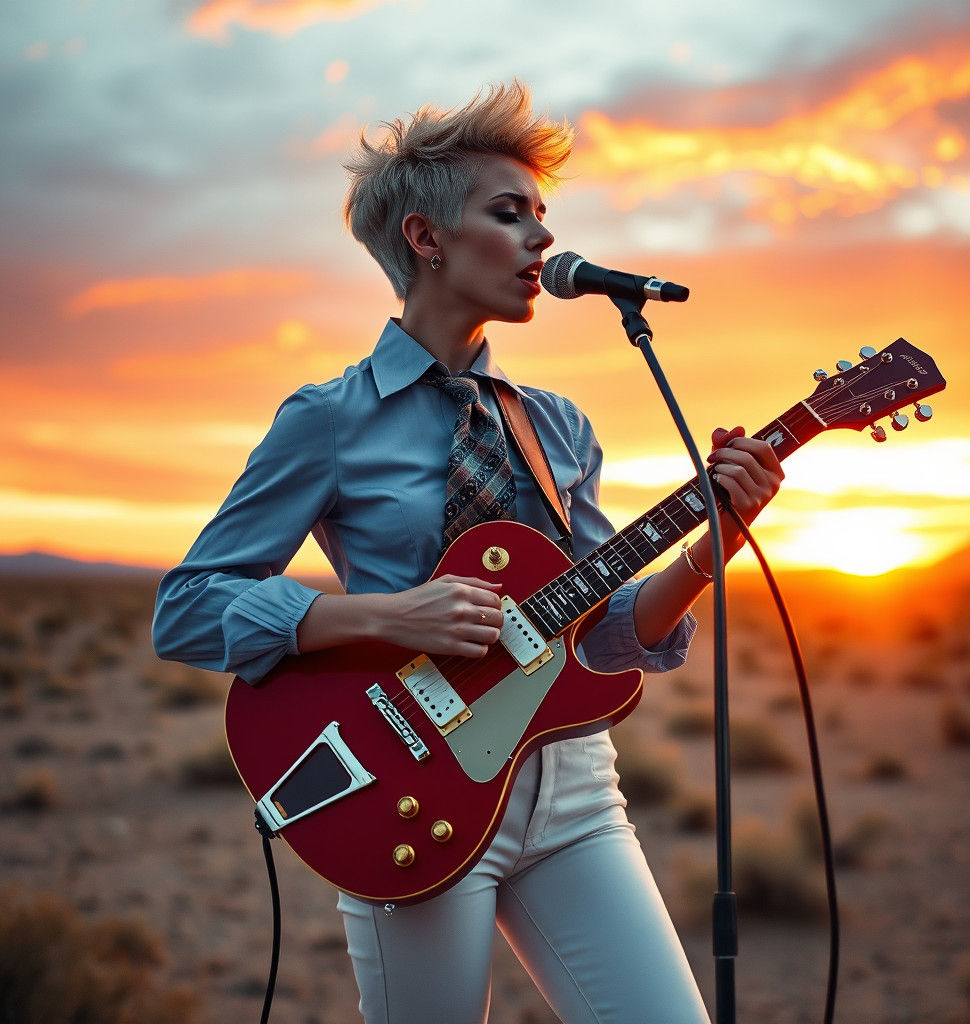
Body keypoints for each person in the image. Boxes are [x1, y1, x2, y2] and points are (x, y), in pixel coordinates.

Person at [152, 81, 784, 1024]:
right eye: (510, 213)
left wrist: (713, 546)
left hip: (571, 789)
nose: (543, 241)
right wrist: (379, 616)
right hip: (404, 782)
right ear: (425, 238)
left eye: (544, 216)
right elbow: (190, 607)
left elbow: (609, 634)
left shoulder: (557, 426)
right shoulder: (328, 419)